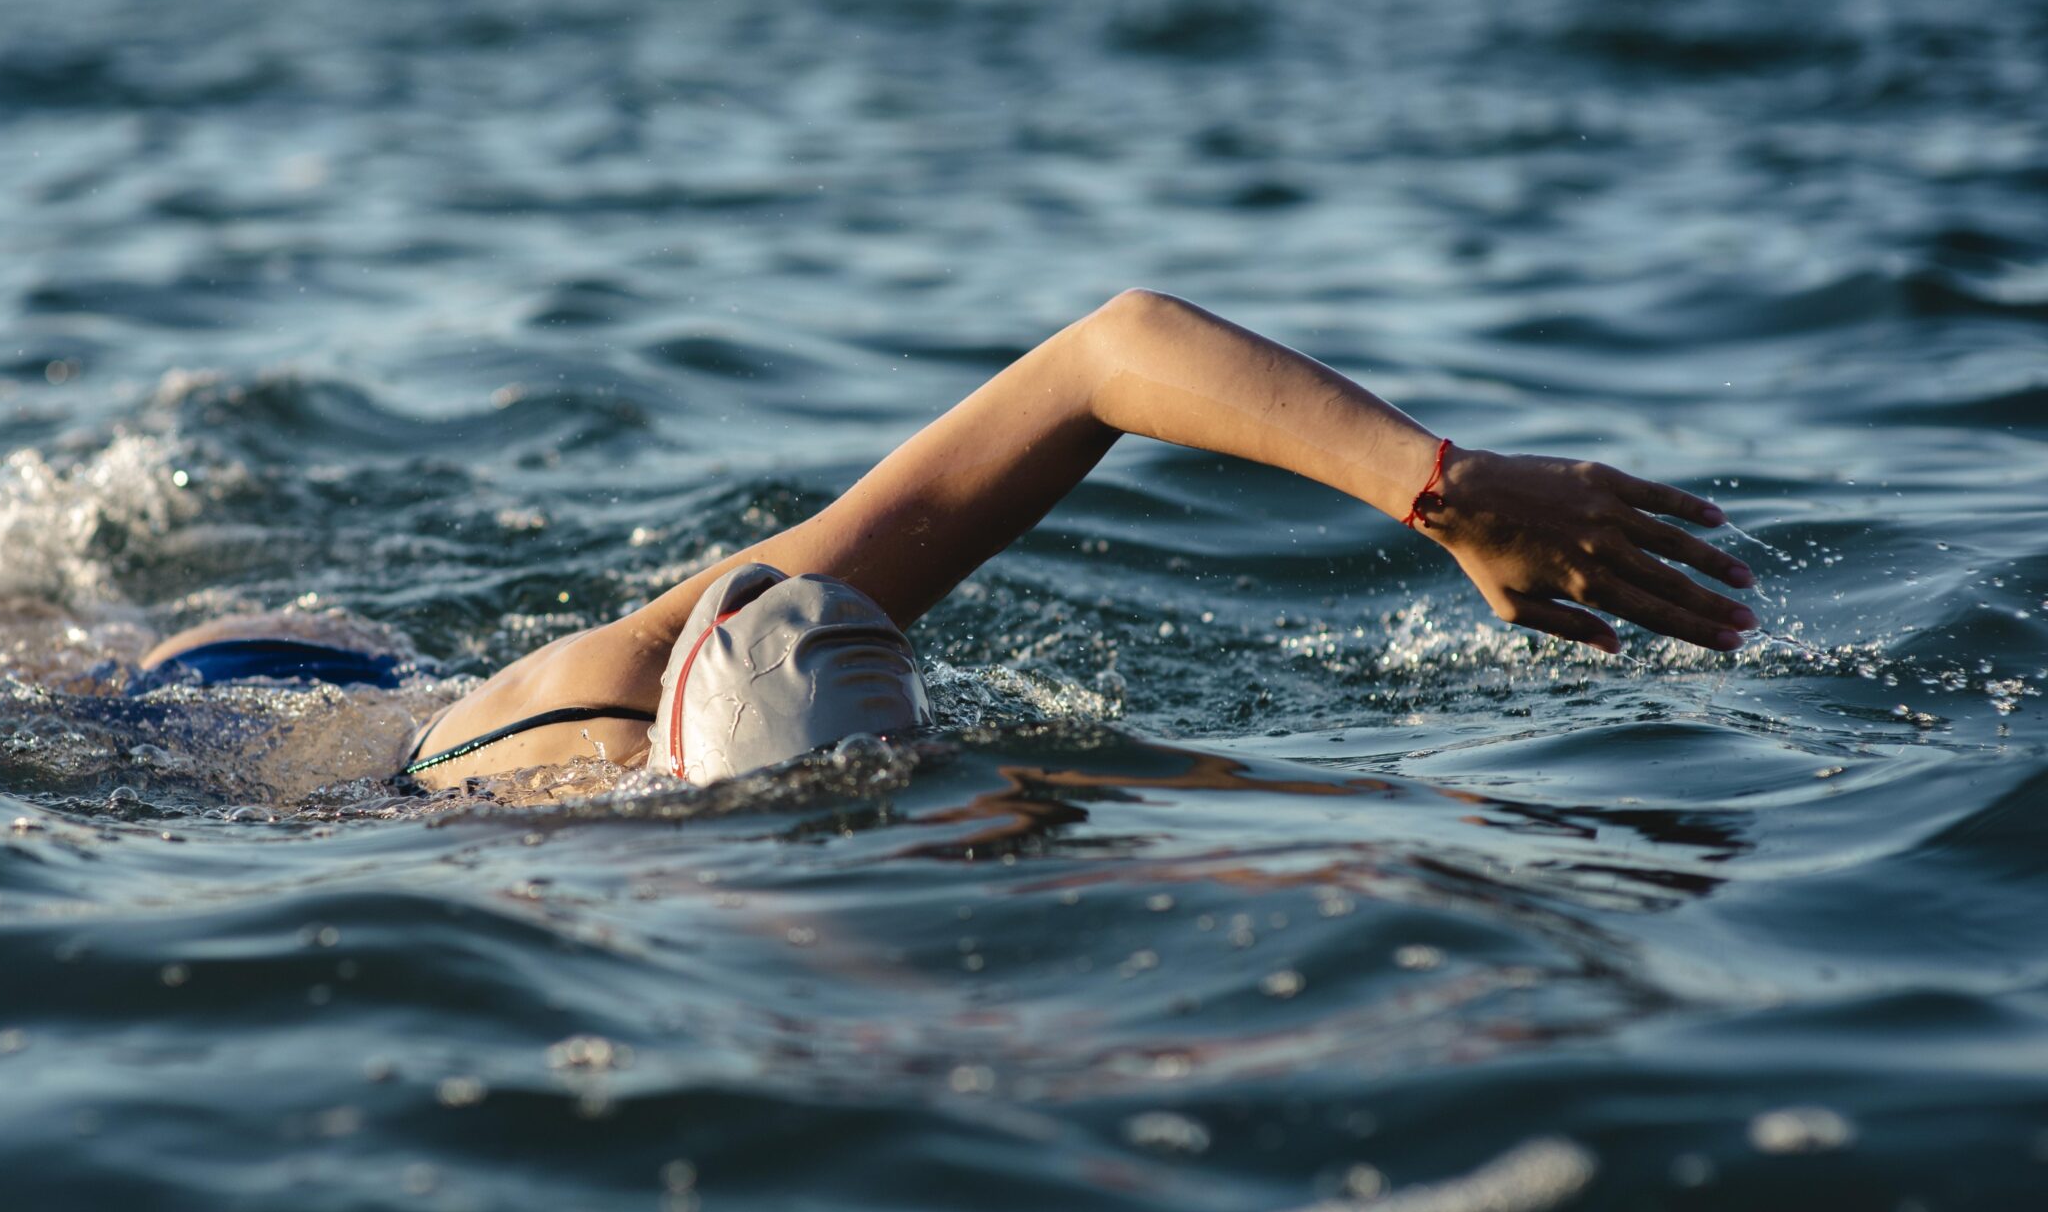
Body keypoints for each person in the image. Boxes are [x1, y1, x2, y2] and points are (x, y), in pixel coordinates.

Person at [132, 287, 1756, 788]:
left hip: (358, 689)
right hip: (187, 709)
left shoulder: (710, 635)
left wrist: (1441, 487)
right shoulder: (604, 718)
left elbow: (1111, 351)